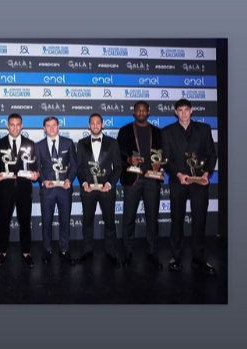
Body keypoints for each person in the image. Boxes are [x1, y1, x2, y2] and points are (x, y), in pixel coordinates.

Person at [162, 99, 217, 274]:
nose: (184, 113)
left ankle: (198, 258)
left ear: (191, 111)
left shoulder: (204, 129)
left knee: (199, 221)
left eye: (186, 109)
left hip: (199, 183)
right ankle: (176, 257)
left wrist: (206, 174)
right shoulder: (167, 132)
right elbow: (166, 159)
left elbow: (212, 155)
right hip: (178, 182)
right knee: (177, 220)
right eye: (180, 110)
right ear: (175, 112)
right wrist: (178, 174)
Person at [117, 101, 163, 269]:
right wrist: (129, 159)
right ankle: (127, 251)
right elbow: (118, 153)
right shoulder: (125, 131)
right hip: (133, 179)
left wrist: (159, 164)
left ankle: (152, 252)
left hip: (152, 178)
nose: (141, 112)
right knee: (129, 218)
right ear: (134, 112)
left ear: (149, 112)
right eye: (138, 110)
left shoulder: (157, 132)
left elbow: (163, 153)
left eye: (144, 110)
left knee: (152, 218)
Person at [0, 113, 39, 267]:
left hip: (24, 189)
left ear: (22, 126)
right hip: (4, 190)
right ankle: (2, 251)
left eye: (18, 124)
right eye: (12, 125)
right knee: (3, 221)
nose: (15, 128)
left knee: (25, 221)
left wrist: (36, 174)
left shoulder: (30, 144)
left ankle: (26, 252)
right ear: (7, 126)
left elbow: (36, 167)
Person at [76, 114, 121, 267]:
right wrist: (84, 183)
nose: (95, 126)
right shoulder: (81, 143)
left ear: (103, 124)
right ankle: (87, 250)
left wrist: (109, 183)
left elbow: (118, 167)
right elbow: (79, 167)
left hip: (106, 189)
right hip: (88, 189)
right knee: (87, 221)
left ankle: (111, 251)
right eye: (92, 123)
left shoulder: (113, 143)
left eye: (98, 123)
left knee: (109, 221)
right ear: (88, 126)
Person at [34, 116, 77, 265]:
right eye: (48, 126)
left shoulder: (68, 143)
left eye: (54, 125)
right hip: (48, 190)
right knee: (46, 221)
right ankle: (47, 249)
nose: (51, 128)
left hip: (64, 189)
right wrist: (43, 181)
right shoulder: (38, 145)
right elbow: (37, 168)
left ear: (59, 126)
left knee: (65, 220)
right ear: (44, 128)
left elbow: (74, 165)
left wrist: (69, 180)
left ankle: (64, 249)